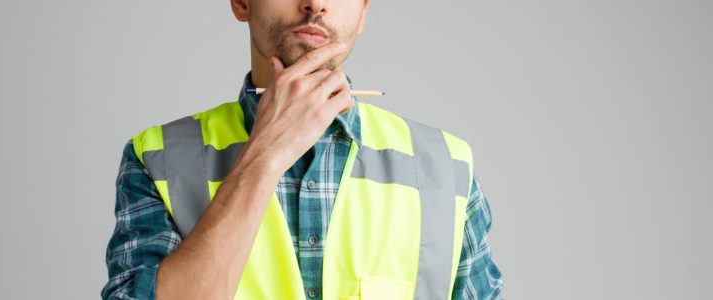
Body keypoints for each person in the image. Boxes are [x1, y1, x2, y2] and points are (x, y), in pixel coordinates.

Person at [102, 0, 503, 299]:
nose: (315, 4)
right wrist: (267, 152)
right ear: (242, 3)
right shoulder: (158, 158)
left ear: (363, 12)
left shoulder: (446, 168)